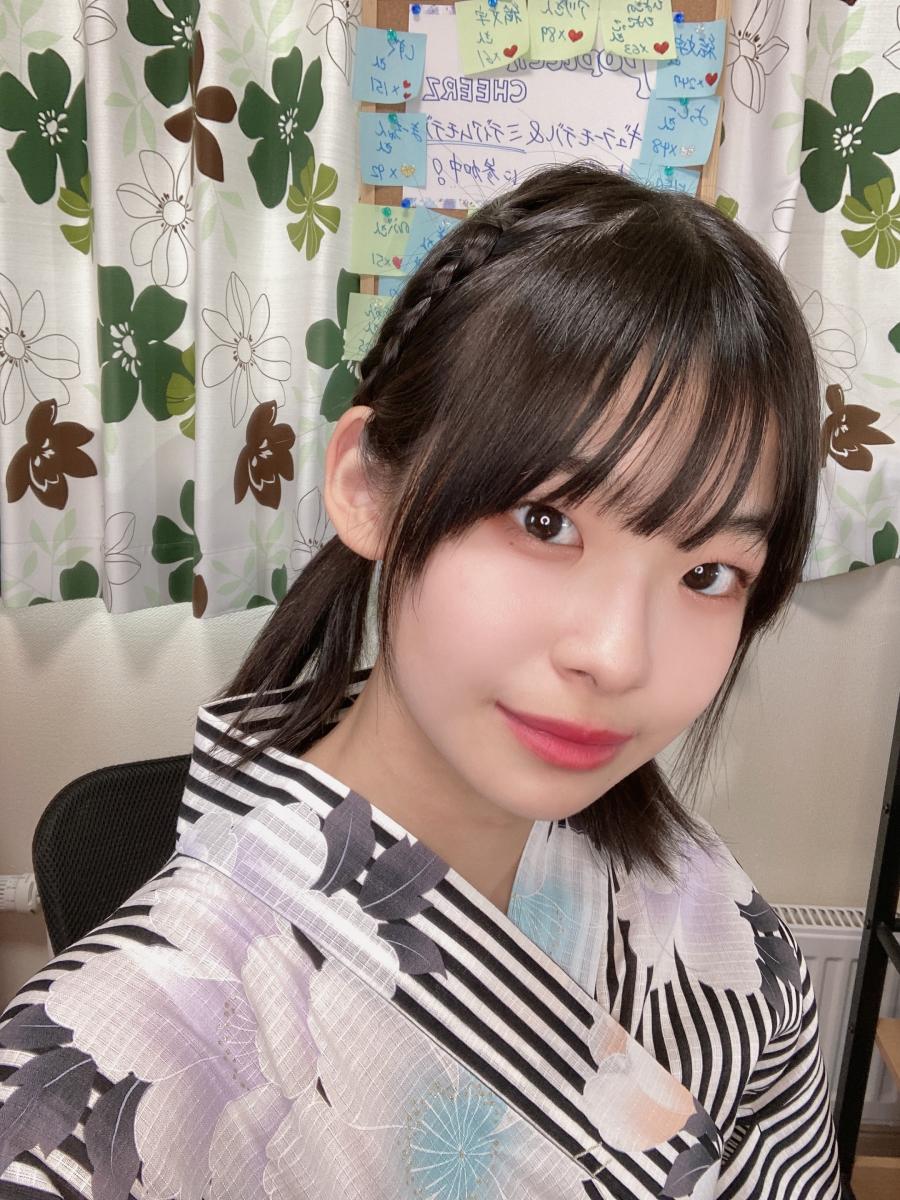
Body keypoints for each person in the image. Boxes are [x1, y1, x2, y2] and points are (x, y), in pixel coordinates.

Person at [0, 162, 843, 1199]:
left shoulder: (713, 914)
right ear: (368, 487)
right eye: (546, 521)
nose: (619, 656)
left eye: (708, 574)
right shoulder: (76, 1093)